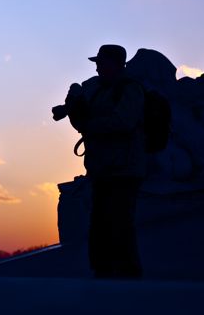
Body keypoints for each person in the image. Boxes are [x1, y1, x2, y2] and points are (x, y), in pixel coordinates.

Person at [59, 44, 145, 278]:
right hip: (101, 169)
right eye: (97, 62)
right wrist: (74, 106)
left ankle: (129, 276)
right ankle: (102, 274)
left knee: (120, 224)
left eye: (101, 62)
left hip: (125, 170)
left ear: (117, 64)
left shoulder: (131, 89)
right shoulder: (96, 90)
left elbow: (124, 122)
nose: (97, 67)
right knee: (99, 225)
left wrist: (90, 123)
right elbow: (83, 126)